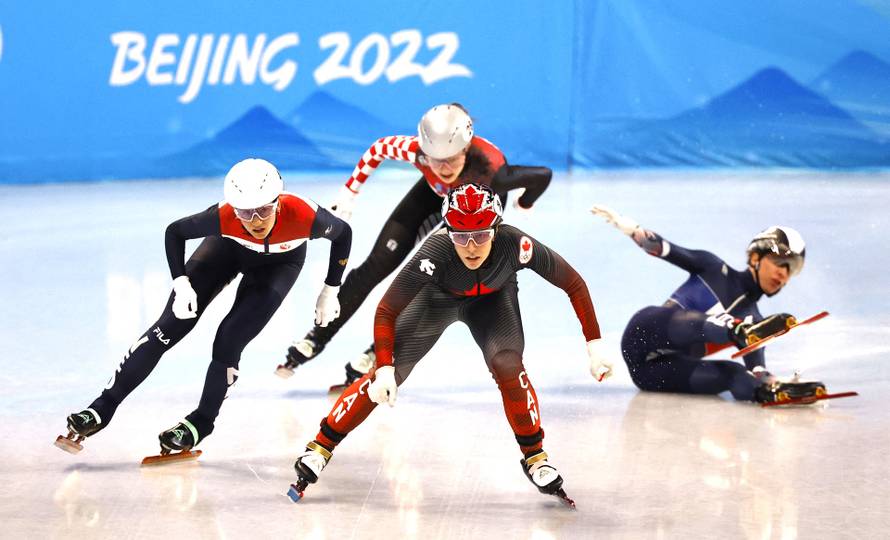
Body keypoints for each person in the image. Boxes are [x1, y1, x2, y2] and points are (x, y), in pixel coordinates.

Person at [288, 183, 613, 505]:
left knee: (508, 365)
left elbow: (573, 282)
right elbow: (387, 309)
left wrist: (594, 343)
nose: (471, 247)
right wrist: (385, 366)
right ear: (448, 231)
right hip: (436, 301)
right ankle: (320, 446)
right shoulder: (435, 251)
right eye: (460, 236)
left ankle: (536, 457)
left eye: (481, 235)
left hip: (493, 303)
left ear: (497, 229)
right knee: (382, 378)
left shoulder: (517, 244)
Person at [55, 158, 352, 456]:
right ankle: (100, 408)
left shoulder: (305, 215)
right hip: (225, 251)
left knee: (229, 340)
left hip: (279, 266)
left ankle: (201, 422)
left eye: (263, 209)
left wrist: (331, 290)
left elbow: (344, 235)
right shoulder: (224, 217)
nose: (255, 221)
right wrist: (180, 282)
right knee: (169, 327)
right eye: (245, 212)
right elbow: (175, 232)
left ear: (278, 201)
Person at [277, 103, 553, 388]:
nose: (443, 167)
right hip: (432, 195)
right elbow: (377, 149)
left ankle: (379, 350)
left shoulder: (494, 171)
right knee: (377, 264)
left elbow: (542, 175)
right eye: (435, 159)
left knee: (426, 278)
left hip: (471, 209)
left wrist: (524, 201)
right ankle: (316, 337)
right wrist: (350, 191)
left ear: (465, 150)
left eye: (450, 159)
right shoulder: (415, 150)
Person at [590, 204, 813, 403]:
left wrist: (776, 384)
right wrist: (631, 229)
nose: (783, 274)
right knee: (726, 327)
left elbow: (757, 371)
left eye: (790, 268)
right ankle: (735, 330)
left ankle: (768, 395)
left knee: (734, 373)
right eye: (779, 262)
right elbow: (663, 248)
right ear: (755, 258)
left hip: (652, 374)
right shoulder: (713, 268)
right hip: (643, 333)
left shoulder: (755, 322)